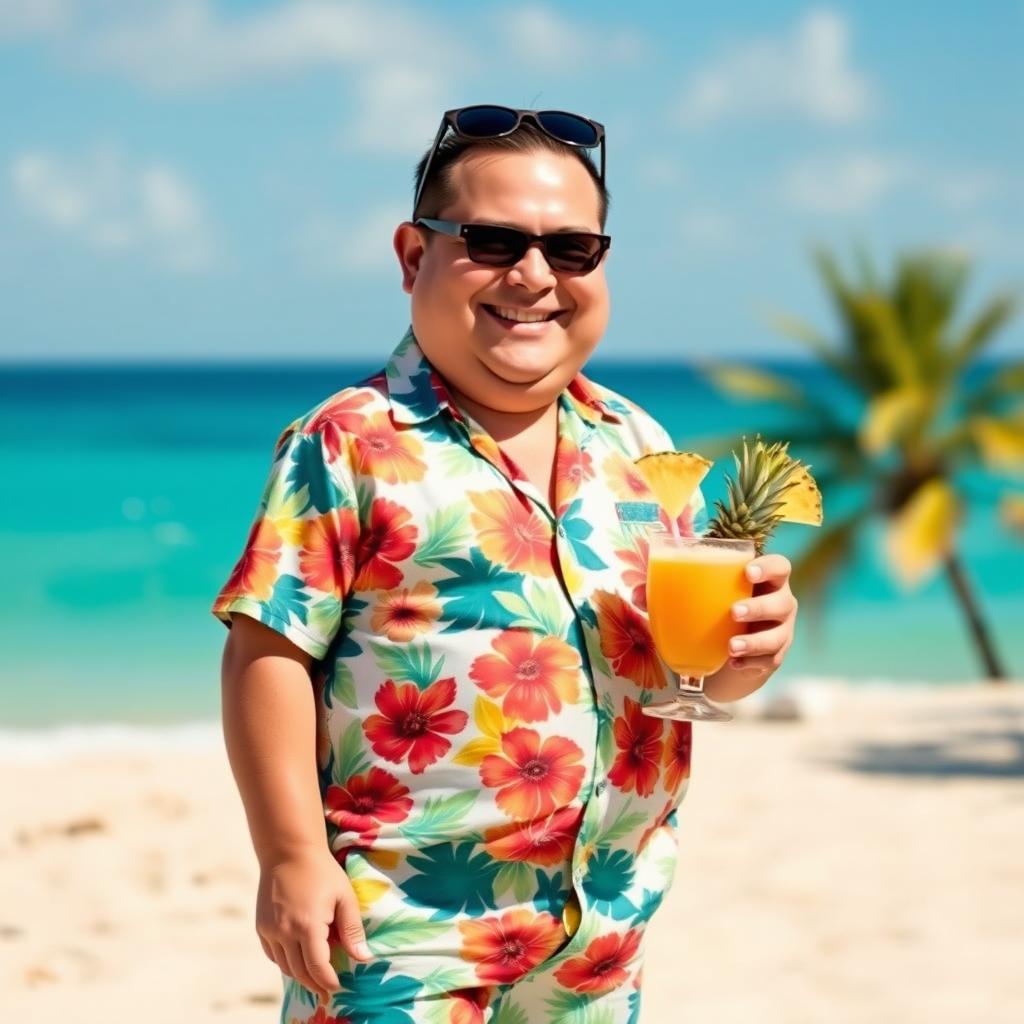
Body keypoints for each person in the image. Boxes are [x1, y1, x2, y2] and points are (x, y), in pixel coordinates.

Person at [212, 105, 799, 1024]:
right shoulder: (350, 444)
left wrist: (745, 658)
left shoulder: (639, 447)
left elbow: (682, 672)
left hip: (602, 930)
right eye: (491, 241)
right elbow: (269, 648)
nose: (534, 277)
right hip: (403, 929)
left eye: (573, 250)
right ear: (413, 257)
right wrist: (290, 855)